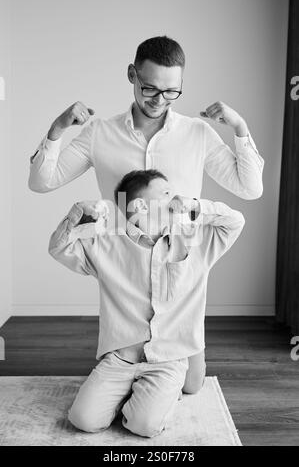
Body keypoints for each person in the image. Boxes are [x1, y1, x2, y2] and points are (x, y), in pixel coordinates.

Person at [28, 35, 264, 394]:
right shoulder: (99, 133)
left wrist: (240, 129)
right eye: (150, 88)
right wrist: (56, 130)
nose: (159, 100)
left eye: (172, 92)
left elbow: (250, 189)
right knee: (117, 381)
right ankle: (127, 365)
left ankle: (165, 363)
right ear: (131, 75)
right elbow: (42, 182)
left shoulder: (197, 133)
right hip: (124, 265)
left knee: (191, 387)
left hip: (179, 270)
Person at [48, 169, 245, 438]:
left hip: (169, 357)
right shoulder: (106, 244)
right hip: (121, 358)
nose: (175, 197)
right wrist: (75, 217)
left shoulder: (195, 240)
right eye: (165, 193)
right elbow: (58, 248)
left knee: (144, 425)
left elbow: (236, 222)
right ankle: (138, 392)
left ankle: (171, 384)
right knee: (83, 419)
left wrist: (197, 206)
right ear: (140, 205)